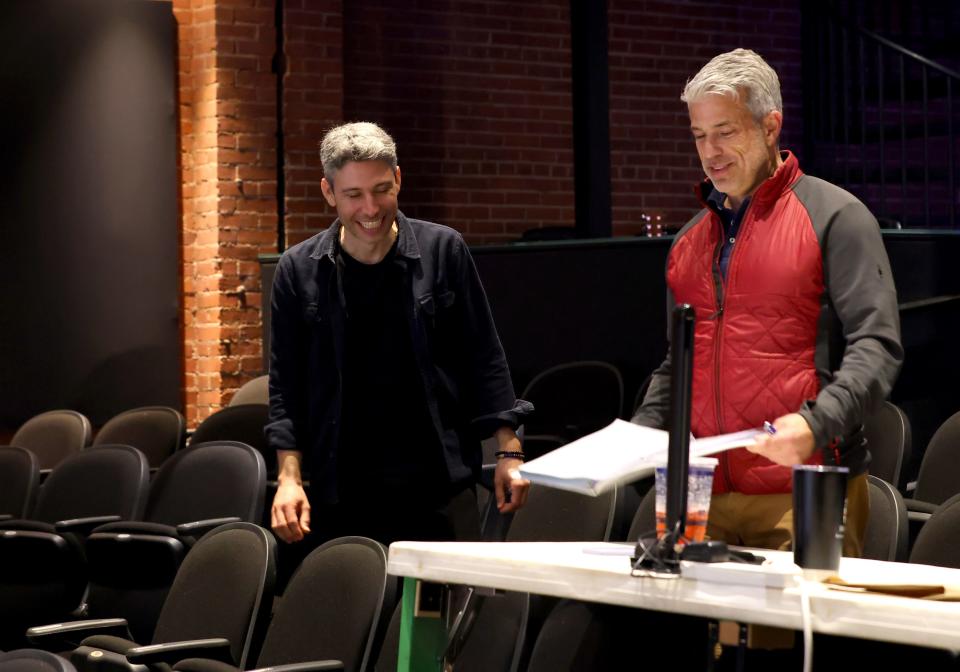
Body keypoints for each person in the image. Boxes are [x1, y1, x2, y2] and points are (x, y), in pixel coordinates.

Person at [632, 48, 903, 555]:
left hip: (803, 484)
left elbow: (878, 344)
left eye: (725, 131)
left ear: (770, 126)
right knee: (698, 637)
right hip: (700, 491)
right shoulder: (688, 242)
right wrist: (634, 440)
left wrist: (815, 423)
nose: (709, 151)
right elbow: (679, 363)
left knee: (791, 638)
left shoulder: (836, 216)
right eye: (698, 135)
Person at [266, 121, 531, 550]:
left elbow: (484, 357)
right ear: (329, 193)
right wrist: (289, 479)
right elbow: (286, 388)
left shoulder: (444, 250)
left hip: (437, 487)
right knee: (354, 615)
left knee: (441, 617)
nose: (370, 208)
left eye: (381, 189)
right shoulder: (298, 271)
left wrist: (509, 452)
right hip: (342, 491)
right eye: (353, 195)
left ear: (399, 179)